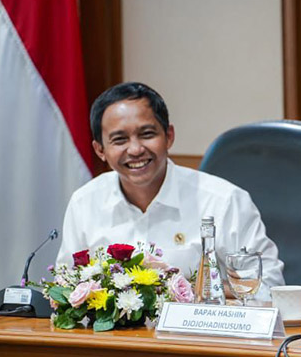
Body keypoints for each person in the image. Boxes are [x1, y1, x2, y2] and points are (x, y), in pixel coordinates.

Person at [56, 82, 285, 299]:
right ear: (100, 150)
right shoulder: (84, 202)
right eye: (120, 139)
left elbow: (269, 286)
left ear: (169, 137)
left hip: (199, 337)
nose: (135, 149)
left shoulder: (223, 202)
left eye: (147, 134)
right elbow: (66, 287)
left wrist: (184, 286)